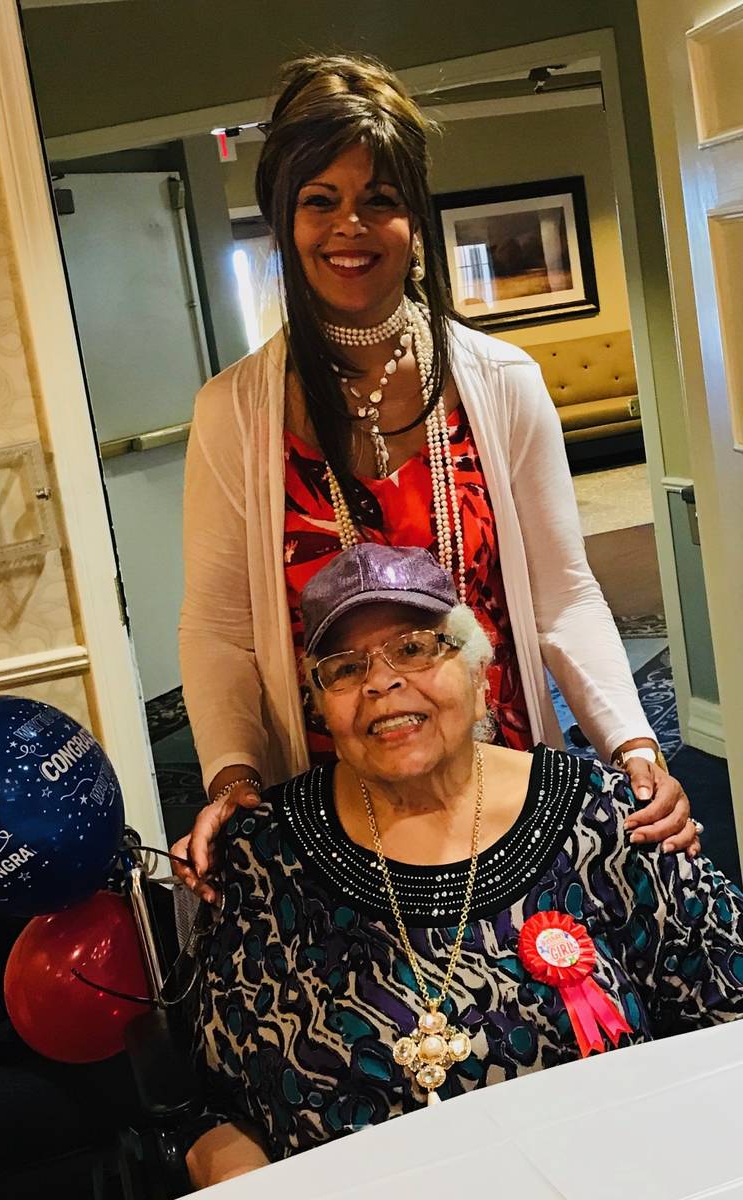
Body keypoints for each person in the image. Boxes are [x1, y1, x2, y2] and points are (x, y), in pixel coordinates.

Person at [177, 53, 698, 903]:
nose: (350, 227)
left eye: (378, 200)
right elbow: (217, 630)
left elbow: (564, 595)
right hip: (331, 798)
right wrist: (232, 777)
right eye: (321, 201)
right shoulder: (232, 411)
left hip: (504, 777)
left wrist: (634, 747)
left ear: (414, 218)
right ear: (284, 219)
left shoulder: (501, 380)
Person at [184, 545, 743, 1188]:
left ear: (480, 674)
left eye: (417, 648)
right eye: (345, 668)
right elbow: (220, 1109)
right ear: (321, 709)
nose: (381, 682)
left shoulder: (605, 817)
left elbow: (728, 1006)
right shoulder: (263, 857)